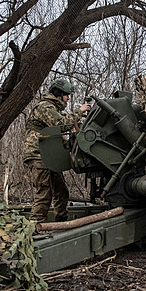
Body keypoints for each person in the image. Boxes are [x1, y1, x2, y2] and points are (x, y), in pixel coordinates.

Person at [23, 79, 91, 222]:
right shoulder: (44, 107)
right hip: (38, 154)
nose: (68, 98)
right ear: (59, 94)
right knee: (44, 193)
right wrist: (79, 111)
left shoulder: (51, 108)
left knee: (61, 191)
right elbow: (60, 124)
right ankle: (34, 227)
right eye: (66, 95)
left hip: (48, 155)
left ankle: (61, 221)